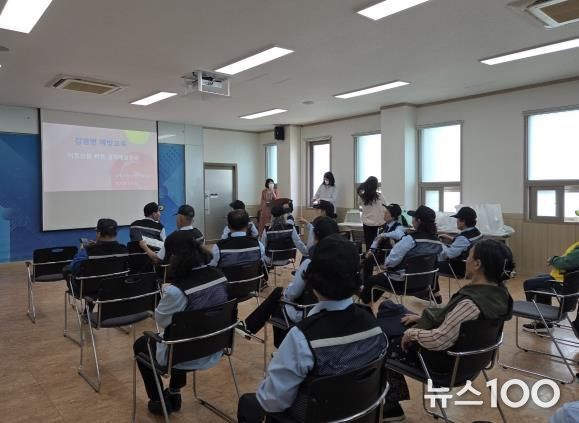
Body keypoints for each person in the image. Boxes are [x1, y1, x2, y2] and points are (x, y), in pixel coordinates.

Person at [237, 234, 388, 423]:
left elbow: (271, 402)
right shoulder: (376, 328)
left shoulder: (302, 338)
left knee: (248, 404)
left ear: (312, 281)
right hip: (359, 416)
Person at [379, 239, 514, 421]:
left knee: (382, 343)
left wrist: (412, 333)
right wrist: (421, 318)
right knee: (390, 308)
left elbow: (439, 340)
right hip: (472, 360)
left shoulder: (471, 303)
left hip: (441, 363)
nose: (466, 260)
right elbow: (455, 317)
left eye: (469, 256)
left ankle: (392, 406)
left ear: (477, 264)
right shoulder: (499, 294)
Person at [133, 240, 228, 416]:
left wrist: (167, 297)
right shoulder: (220, 276)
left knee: (141, 344)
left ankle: (158, 401)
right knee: (180, 335)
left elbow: (161, 319)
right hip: (216, 347)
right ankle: (174, 392)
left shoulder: (177, 291)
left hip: (184, 354)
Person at [236, 217, 340, 346]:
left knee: (278, 297)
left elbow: (292, 294)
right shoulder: (343, 261)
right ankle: (248, 327)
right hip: (335, 313)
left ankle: (260, 333)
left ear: (315, 236)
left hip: (307, 313)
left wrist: (286, 291)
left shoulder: (310, 263)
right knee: (279, 293)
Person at [360, 205, 443, 304]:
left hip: (402, 283)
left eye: (413, 218)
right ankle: (367, 303)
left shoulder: (410, 239)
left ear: (418, 221)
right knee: (380, 278)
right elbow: (439, 259)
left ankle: (364, 305)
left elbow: (391, 261)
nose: (412, 220)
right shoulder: (437, 241)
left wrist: (386, 265)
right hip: (426, 284)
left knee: (371, 280)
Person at [522, 240, 579, 333]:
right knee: (539, 279)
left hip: (563, 283)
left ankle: (540, 321)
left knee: (528, 284)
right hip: (566, 281)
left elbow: (566, 262)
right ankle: (544, 322)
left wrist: (553, 259)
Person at [63, 218, 128, 285]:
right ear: (116, 233)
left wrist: (82, 249)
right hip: (117, 286)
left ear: (99, 233)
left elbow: (74, 268)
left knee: (67, 268)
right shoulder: (124, 249)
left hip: (90, 288)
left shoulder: (87, 251)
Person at [361, 203, 407, 281]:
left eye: (387, 212)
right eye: (385, 212)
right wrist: (371, 250)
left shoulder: (399, 227)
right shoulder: (383, 227)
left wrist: (383, 235)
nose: (384, 214)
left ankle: (366, 281)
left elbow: (398, 234)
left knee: (368, 260)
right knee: (363, 257)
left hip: (390, 256)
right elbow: (376, 241)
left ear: (393, 216)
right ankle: (364, 280)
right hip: (380, 253)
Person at [437, 206, 483, 276]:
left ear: (463, 221)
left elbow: (448, 254)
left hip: (460, 268)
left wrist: (439, 243)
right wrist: (452, 238)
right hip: (474, 266)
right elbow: (467, 244)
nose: (457, 221)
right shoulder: (477, 232)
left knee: (432, 265)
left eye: (457, 219)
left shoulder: (463, 238)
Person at [357, 176, 386, 251]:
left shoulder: (362, 197)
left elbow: (360, 206)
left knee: (369, 244)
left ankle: (369, 257)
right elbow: (385, 208)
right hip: (379, 223)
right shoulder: (380, 196)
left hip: (367, 224)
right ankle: (378, 257)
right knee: (379, 244)